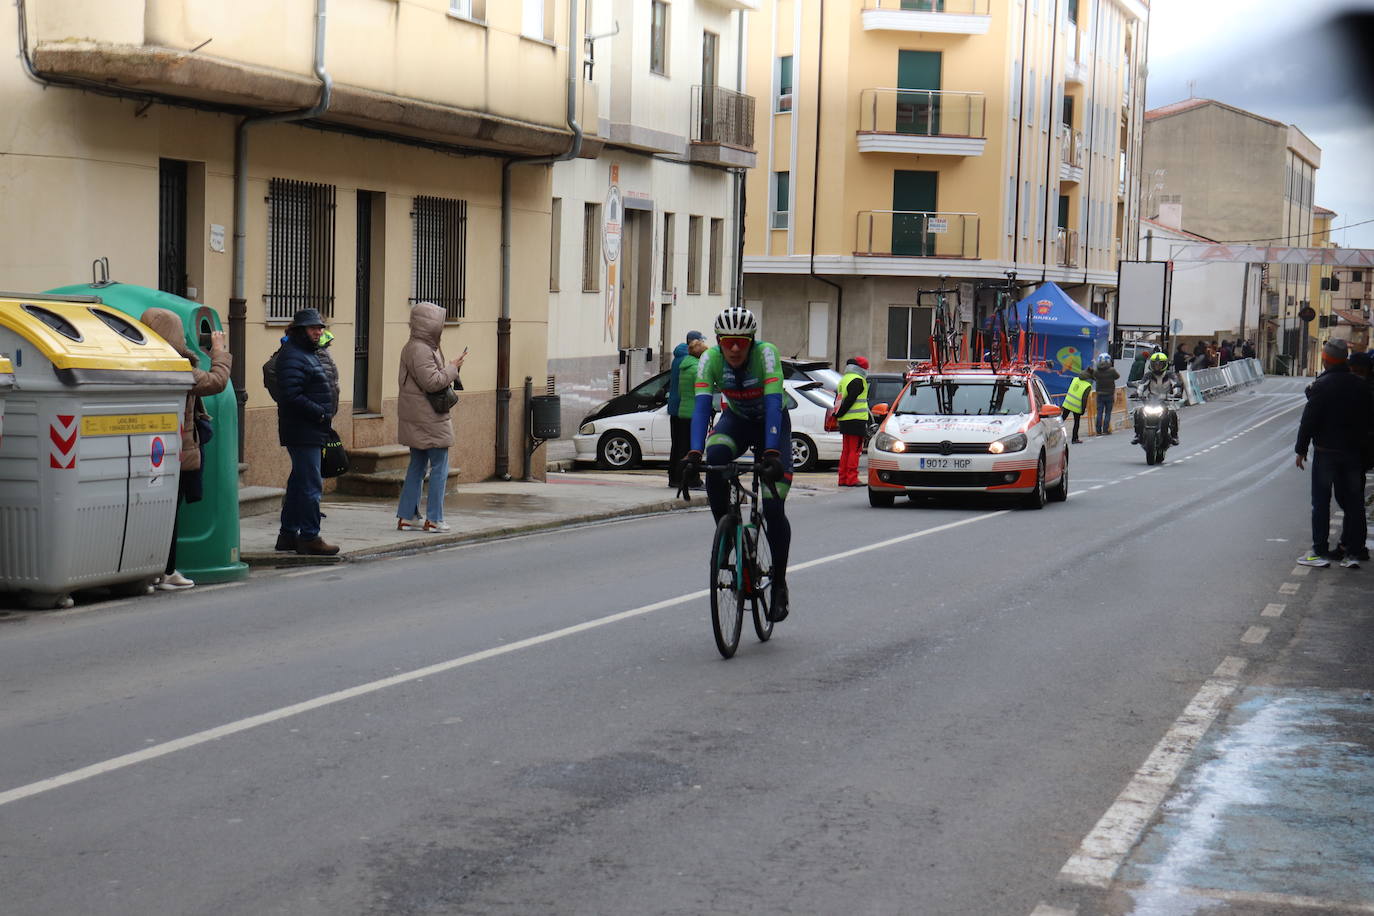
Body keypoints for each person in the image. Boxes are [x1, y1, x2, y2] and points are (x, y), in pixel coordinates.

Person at [681, 306, 793, 622]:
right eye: (727, 341)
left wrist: (771, 453)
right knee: (715, 459)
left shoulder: (766, 355)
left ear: (751, 342)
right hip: (738, 421)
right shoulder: (710, 360)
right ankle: (728, 533)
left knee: (772, 508)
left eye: (741, 342)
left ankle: (780, 584)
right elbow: (702, 409)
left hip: (773, 425)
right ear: (718, 341)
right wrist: (693, 453)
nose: (733, 348)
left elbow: (773, 404)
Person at [141, 309, 231, 590]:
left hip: (148, 451)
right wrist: (219, 351)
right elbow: (217, 382)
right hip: (175, 452)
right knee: (170, 514)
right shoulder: (175, 368)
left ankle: (149, 569)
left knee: (153, 514)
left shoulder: (143, 362)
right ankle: (165, 571)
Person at [1295, 340, 1373, 568]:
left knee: (1321, 502)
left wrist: (1301, 449)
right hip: (1352, 453)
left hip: (1326, 452)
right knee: (1354, 501)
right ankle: (1353, 552)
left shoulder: (1322, 385)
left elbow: (1309, 420)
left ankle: (1319, 551)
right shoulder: (1360, 386)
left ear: (1325, 360)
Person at [275, 308, 341, 556]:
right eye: (314, 328)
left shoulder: (306, 352)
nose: (319, 332)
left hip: (310, 428)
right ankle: (310, 536)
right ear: (300, 330)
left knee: (299, 482)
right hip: (303, 429)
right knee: (311, 484)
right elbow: (291, 395)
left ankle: (288, 535)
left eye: (320, 327)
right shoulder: (293, 355)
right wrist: (320, 413)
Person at [396, 302, 465, 533]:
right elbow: (432, 382)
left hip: (417, 415)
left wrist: (449, 368)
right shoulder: (421, 349)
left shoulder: (416, 346)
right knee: (440, 466)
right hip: (428, 417)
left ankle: (408, 516)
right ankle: (434, 518)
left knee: (417, 465)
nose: (442, 327)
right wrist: (452, 369)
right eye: (439, 323)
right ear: (430, 325)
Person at [666, 330, 707, 489]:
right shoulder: (692, 364)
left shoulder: (679, 359)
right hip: (688, 409)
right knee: (689, 446)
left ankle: (674, 477)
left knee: (677, 445)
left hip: (677, 408)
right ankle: (688, 479)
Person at [1132, 351, 1182, 445]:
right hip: (1151, 400)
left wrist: (1177, 393)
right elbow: (1142, 385)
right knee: (1138, 411)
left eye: (1159, 364)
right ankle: (1138, 434)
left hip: (1166, 401)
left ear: (1164, 364)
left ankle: (1174, 436)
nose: (1157, 366)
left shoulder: (1170, 375)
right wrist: (1137, 393)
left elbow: (1176, 384)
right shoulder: (1148, 375)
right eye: (1155, 364)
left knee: (1172, 413)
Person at [835, 356, 870, 487]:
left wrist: (838, 414)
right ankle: (852, 478)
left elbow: (838, 400)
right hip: (857, 420)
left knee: (846, 450)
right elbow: (850, 400)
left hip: (844, 420)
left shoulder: (843, 380)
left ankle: (842, 478)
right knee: (855, 451)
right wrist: (841, 412)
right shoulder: (858, 380)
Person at [1086, 353, 1119, 435]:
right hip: (1109, 394)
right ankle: (1105, 429)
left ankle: (1098, 430)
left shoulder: (1097, 371)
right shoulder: (1112, 370)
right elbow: (1117, 376)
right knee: (1108, 412)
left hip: (1100, 394)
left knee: (1099, 412)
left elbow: (1093, 376)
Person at [1062, 371, 1092, 444]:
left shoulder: (1075, 379)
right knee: (1076, 422)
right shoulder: (1087, 385)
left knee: (1061, 420)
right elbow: (1084, 399)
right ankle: (1074, 439)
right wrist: (1082, 410)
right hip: (1076, 405)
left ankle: (1053, 435)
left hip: (1068, 402)